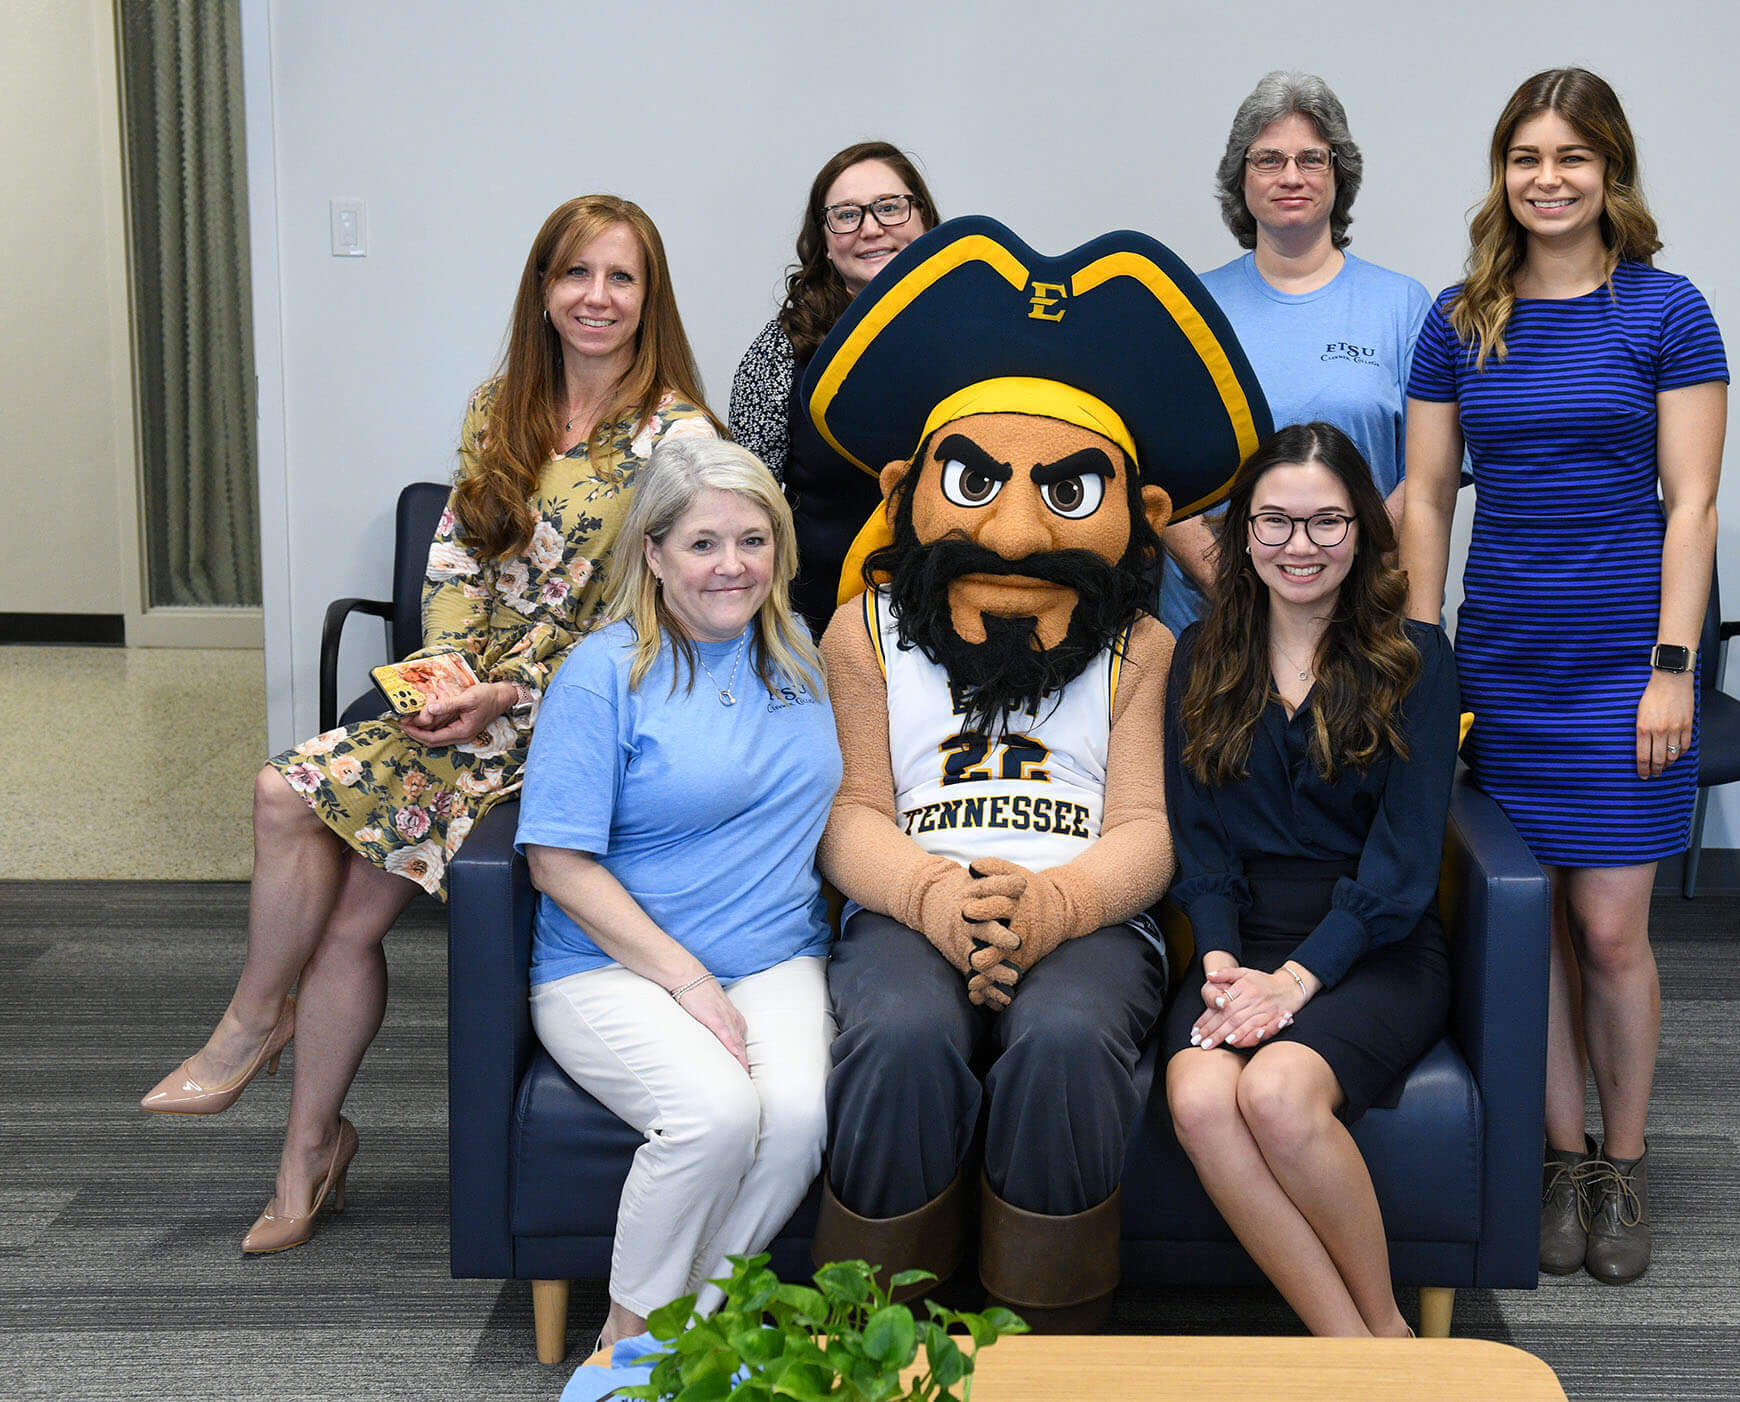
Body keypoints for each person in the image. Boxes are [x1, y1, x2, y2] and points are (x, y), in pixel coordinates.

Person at [141, 194, 723, 1256]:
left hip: (569, 710)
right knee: (303, 833)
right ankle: (289, 1095)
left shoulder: (676, 436)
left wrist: (502, 695)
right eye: (574, 274)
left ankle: (272, 1074)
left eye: (620, 277)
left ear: (650, 298)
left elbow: (643, 613)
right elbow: (458, 554)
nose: (596, 297)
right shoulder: (500, 403)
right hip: (461, 702)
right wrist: (444, 671)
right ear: (542, 290)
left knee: (333, 876)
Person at [801, 216, 1268, 1331]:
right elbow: (850, 811)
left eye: (1065, 493)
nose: (1011, 534)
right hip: (910, 905)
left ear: (1142, 519)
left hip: (1088, 914)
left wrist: (1052, 906)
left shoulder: (1143, 648)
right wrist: (932, 897)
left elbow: (1149, 831)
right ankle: (871, 1332)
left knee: (1065, 1040)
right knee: (903, 1036)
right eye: (971, 482)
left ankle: (1044, 1334)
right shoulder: (862, 631)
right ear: (909, 488)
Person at [1397, 67, 1729, 1285]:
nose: (1548, 178)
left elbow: (1690, 503)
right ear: (1502, 173)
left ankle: (1622, 1162)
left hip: (1624, 667)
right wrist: (1426, 652)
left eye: (1572, 157)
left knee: (1609, 929)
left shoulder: (1665, 310)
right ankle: (1555, 1153)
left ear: (1610, 172)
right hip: (1505, 664)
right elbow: (1427, 495)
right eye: (1527, 156)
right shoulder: (1461, 317)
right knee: (1529, 926)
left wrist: (1674, 667)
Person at [518, 437, 839, 1349]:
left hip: (775, 954)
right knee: (715, 1113)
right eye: (702, 543)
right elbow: (557, 863)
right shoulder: (602, 673)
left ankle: (688, 1332)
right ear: (653, 555)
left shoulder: (802, 657)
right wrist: (688, 981)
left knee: (799, 1119)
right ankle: (627, 1332)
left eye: (753, 539)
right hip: (610, 967)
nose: (731, 565)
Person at [1163, 422, 1456, 1336]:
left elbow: (1405, 863)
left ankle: (1389, 1333)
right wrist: (1218, 963)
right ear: (1242, 534)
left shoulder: (1416, 658)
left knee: (1278, 1094)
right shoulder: (1198, 657)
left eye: (1327, 523)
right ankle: (1353, 1349)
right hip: (1240, 937)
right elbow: (1199, 843)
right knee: (1203, 1099)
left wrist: (1295, 980)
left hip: (1373, 944)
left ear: (1364, 531)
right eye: (1276, 523)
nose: (1300, 546)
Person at [1157, 71, 1433, 636]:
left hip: (1364, 627)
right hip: (1215, 628)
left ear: (1339, 174)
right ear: (1240, 176)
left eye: (1312, 159)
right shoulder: (1188, 307)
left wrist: (1339, 569)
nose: (1291, 177)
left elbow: (1433, 469)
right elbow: (1154, 474)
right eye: (1268, 160)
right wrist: (1237, 587)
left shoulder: (1402, 304)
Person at [729, 141, 941, 629]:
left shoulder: (978, 334)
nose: (870, 228)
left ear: (925, 218)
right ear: (824, 239)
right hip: (818, 627)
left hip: (958, 621)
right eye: (846, 215)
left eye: (890, 208)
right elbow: (742, 503)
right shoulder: (782, 349)